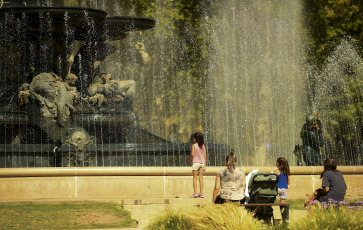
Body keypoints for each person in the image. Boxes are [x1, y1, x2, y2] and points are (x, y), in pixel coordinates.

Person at [188, 132, 207, 198]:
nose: (193, 139)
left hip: (196, 163)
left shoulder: (194, 145)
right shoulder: (203, 146)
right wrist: (205, 164)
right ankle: (201, 193)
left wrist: (190, 159)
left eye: (193, 137)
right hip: (202, 163)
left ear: (195, 139)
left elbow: (192, 154)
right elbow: (205, 155)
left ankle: (195, 193)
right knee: (201, 178)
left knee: (195, 178)